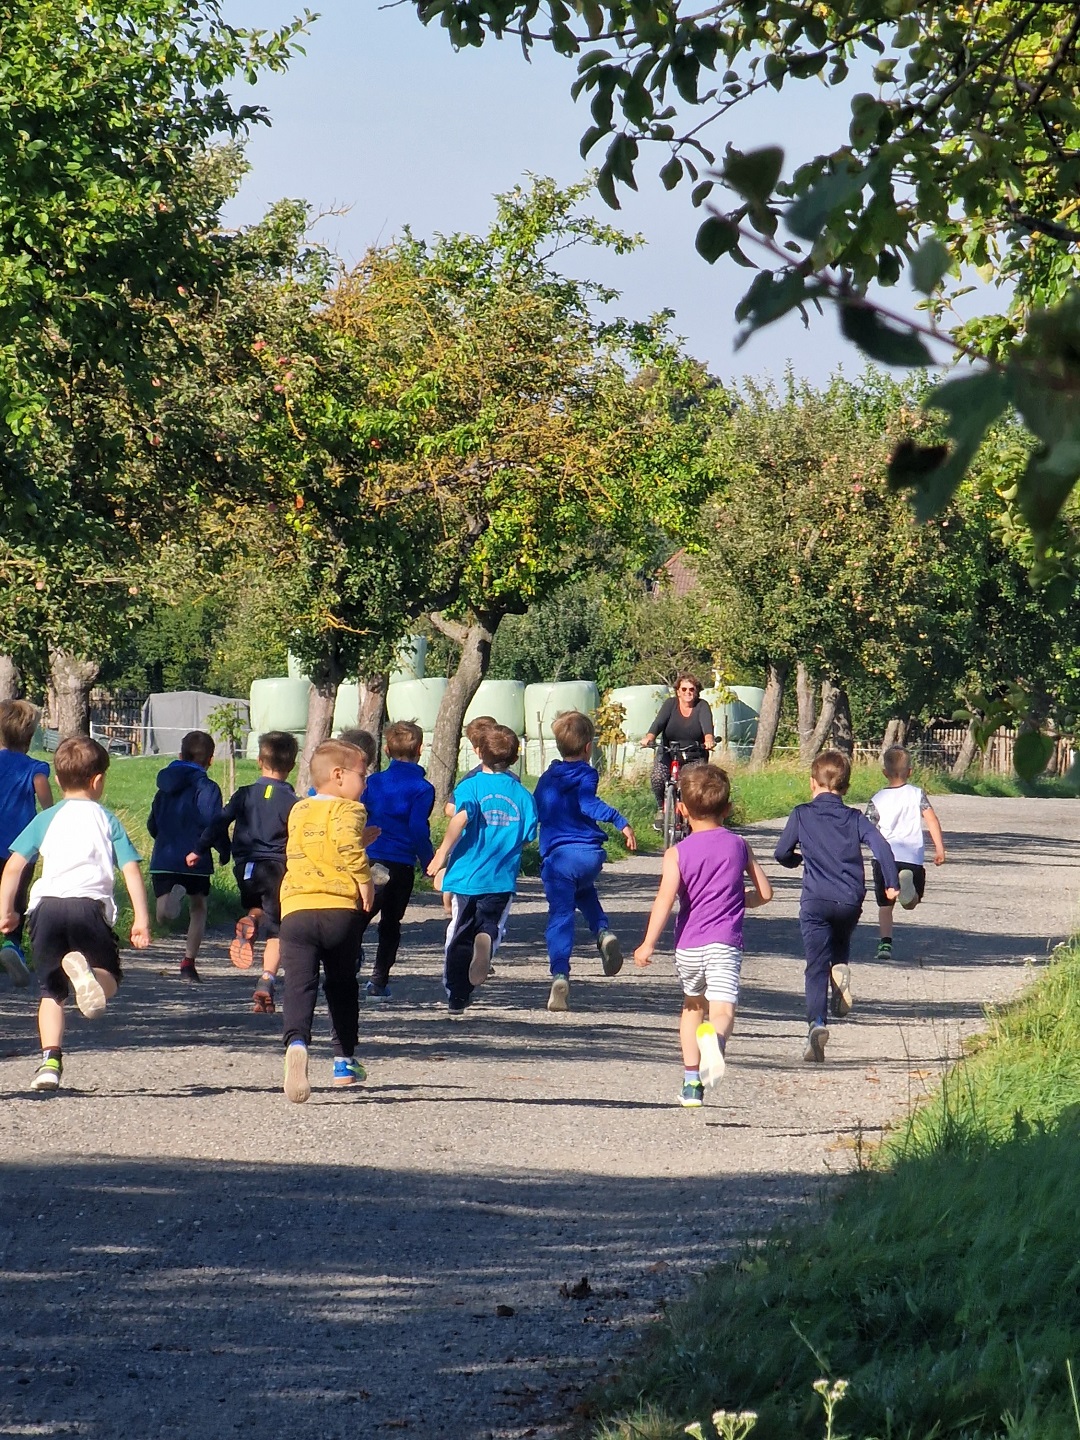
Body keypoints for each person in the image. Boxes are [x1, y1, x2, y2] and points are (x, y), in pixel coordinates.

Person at [0, 736, 151, 1093]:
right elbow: (130, 869)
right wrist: (142, 919)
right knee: (109, 976)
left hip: (46, 909)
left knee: (51, 991)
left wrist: (6, 910)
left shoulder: (47, 818)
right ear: (98, 780)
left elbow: (14, 867)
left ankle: (49, 1063)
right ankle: (90, 977)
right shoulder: (107, 819)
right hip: (88, 908)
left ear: (57, 779)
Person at [634, 764, 772, 1106]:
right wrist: (743, 900)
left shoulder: (676, 853)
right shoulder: (739, 845)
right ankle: (717, 1044)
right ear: (728, 809)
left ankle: (692, 1083)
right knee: (722, 1010)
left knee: (693, 1005)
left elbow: (665, 900)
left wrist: (648, 943)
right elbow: (765, 893)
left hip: (689, 946)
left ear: (681, 810)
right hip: (724, 944)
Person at [774, 749, 899, 1063]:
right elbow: (882, 847)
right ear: (845, 787)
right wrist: (891, 882)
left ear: (812, 782)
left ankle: (817, 1024)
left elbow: (781, 853)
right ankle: (840, 969)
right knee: (840, 941)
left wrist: (797, 860)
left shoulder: (801, 814)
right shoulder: (855, 818)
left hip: (816, 899)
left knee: (816, 965)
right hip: (849, 899)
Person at [279, 739, 375, 1103]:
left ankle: (296, 1043)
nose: (365, 783)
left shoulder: (299, 809)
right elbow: (346, 845)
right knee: (341, 984)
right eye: (362, 775)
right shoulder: (351, 809)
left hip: (296, 909)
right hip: (337, 910)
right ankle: (343, 1061)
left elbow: (316, 846)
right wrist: (365, 882)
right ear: (338, 775)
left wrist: (356, 842)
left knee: (299, 985)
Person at [426, 725, 537, 1018]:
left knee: (459, 933)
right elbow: (528, 837)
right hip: (501, 879)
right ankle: (486, 936)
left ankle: (457, 995)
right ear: (515, 759)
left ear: (478, 753)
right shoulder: (524, 796)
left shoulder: (471, 786)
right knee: (490, 924)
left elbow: (460, 818)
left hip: (466, 877)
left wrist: (441, 853)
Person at [534, 710, 637, 1013]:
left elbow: (543, 810)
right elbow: (589, 803)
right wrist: (620, 822)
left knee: (561, 916)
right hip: (589, 857)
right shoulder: (587, 773)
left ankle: (560, 974)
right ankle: (603, 933)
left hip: (559, 859)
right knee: (584, 890)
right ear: (589, 747)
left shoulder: (546, 780)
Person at [196, 730, 298, 1014]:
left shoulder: (243, 794)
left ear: (259, 761)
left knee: (256, 906)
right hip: (275, 868)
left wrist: (199, 848)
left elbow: (219, 821)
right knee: (276, 929)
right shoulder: (293, 801)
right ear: (291, 765)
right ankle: (266, 980)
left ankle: (250, 922)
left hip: (245, 868)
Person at [354, 720, 435, 1000]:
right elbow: (417, 827)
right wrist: (429, 861)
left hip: (373, 858)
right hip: (401, 863)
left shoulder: (373, 782)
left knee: (360, 915)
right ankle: (378, 982)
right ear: (420, 750)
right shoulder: (423, 788)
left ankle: (347, 961)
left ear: (386, 750)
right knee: (391, 923)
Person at [147, 730, 225, 984]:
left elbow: (152, 823)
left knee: (163, 914)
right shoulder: (208, 788)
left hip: (165, 857)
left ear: (180, 755)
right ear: (210, 760)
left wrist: (162, 839)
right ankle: (188, 962)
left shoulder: (163, 789)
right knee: (199, 907)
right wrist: (223, 848)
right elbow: (214, 823)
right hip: (196, 857)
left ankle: (170, 902)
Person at [866, 745, 946, 960]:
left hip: (884, 858)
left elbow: (867, 829)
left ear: (884, 772)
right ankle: (908, 891)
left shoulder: (877, 799)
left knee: (885, 905)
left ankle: (885, 944)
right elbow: (931, 820)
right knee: (912, 903)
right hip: (911, 857)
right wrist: (939, 848)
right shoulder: (917, 794)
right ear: (910, 772)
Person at [0, 699, 54, 985]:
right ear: (30, 736)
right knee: (16, 899)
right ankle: (12, 946)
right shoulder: (35, 768)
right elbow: (47, 805)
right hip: (22, 848)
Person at [437, 715, 497, 914]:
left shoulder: (471, 779)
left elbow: (449, 809)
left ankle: (451, 899)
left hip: (474, 840)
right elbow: (451, 809)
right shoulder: (509, 779)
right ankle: (450, 899)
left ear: (475, 749)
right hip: (490, 839)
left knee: (462, 869)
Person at [640, 674, 716, 815]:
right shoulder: (670, 704)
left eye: (692, 689)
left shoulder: (702, 706)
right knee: (658, 778)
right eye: (684, 689)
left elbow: (707, 727)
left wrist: (709, 739)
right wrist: (649, 738)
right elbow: (658, 723)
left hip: (693, 755)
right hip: (668, 752)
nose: (688, 692)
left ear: (697, 691)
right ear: (678, 691)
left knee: (689, 784)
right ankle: (661, 809)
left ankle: (689, 815)